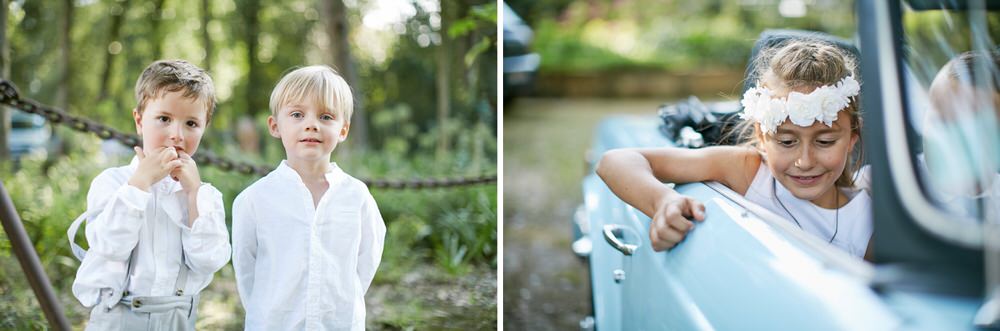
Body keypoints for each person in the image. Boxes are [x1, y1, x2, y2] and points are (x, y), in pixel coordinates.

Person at [596, 39, 872, 258]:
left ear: (852, 138)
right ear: (761, 137)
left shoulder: (867, 220)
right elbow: (616, 161)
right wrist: (662, 202)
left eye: (824, 142)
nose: (804, 161)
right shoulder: (749, 172)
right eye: (787, 141)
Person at [68, 60, 231, 330]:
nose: (176, 135)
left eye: (191, 123)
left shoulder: (206, 196)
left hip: (178, 319)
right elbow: (109, 246)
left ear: (204, 128)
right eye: (164, 119)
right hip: (120, 317)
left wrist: (193, 195)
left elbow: (209, 260)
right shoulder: (113, 183)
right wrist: (140, 184)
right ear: (140, 121)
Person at [231, 65, 386, 330]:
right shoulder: (254, 200)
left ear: (343, 130)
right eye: (297, 114)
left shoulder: (356, 196)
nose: (311, 125)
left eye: (326, 116)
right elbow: (246, 269)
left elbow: (367, 258)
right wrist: (266, 312)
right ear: (275, 125)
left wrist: (343, 301)